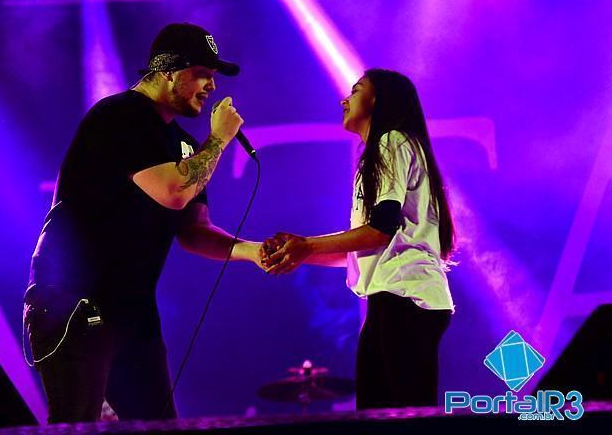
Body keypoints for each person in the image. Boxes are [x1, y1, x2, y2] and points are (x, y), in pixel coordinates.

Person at [24, 23, 266, 423]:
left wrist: (252, 252)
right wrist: (219, 139)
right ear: (169, 70)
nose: (211, 87)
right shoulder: (121, 115)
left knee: (158, 425)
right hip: (73, 301)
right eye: (202, 74)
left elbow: (193, 231)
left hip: (132, 310)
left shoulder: (183, 143)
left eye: (214, 78)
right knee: (77, 424)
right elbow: (173, 190)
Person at [261, 69, 455, 409]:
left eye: (355, 90)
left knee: (397, 414)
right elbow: (368, 243)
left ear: (377, 99)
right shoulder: (389, 148)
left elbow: (380, 228)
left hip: (404, 298)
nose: (344, 99)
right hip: (397, 299)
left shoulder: (391, 140)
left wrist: (306, 246)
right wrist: (301, 252)